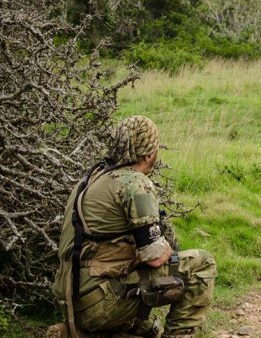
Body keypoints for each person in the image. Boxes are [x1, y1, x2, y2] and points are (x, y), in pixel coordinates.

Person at [51, 116, 217, 338]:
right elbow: (156, 257)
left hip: (72, 300)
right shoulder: (133, 183)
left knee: (148, 331)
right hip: (101, 301)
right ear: (150, 154)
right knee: (202, 263)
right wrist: (166, 246)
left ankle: (80, 332)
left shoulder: (90, 179)